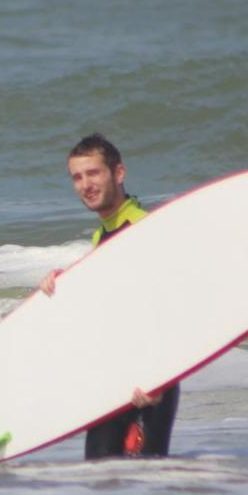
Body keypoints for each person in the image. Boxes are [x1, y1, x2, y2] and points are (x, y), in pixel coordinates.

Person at [39, 133, 179, 459]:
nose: (85, 184)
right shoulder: (102, 235)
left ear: (118, 173)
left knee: (145, 489)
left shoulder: (144, 230)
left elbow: (170, 308)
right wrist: (66, 283)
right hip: (116, 377)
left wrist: (158, 379)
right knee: (104, 487)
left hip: (149, 384)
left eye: (93, 173)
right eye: (77, 177)